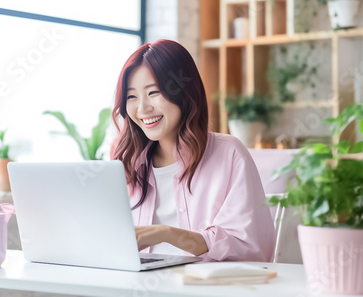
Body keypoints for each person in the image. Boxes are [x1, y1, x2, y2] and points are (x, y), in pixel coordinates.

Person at [110, 39, 275, 262]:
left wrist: (166, 234)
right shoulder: (126, 162)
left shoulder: (229, 154)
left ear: (184, 92)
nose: (142, 109)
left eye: (154, 92)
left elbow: (249, 248)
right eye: (131, 96)